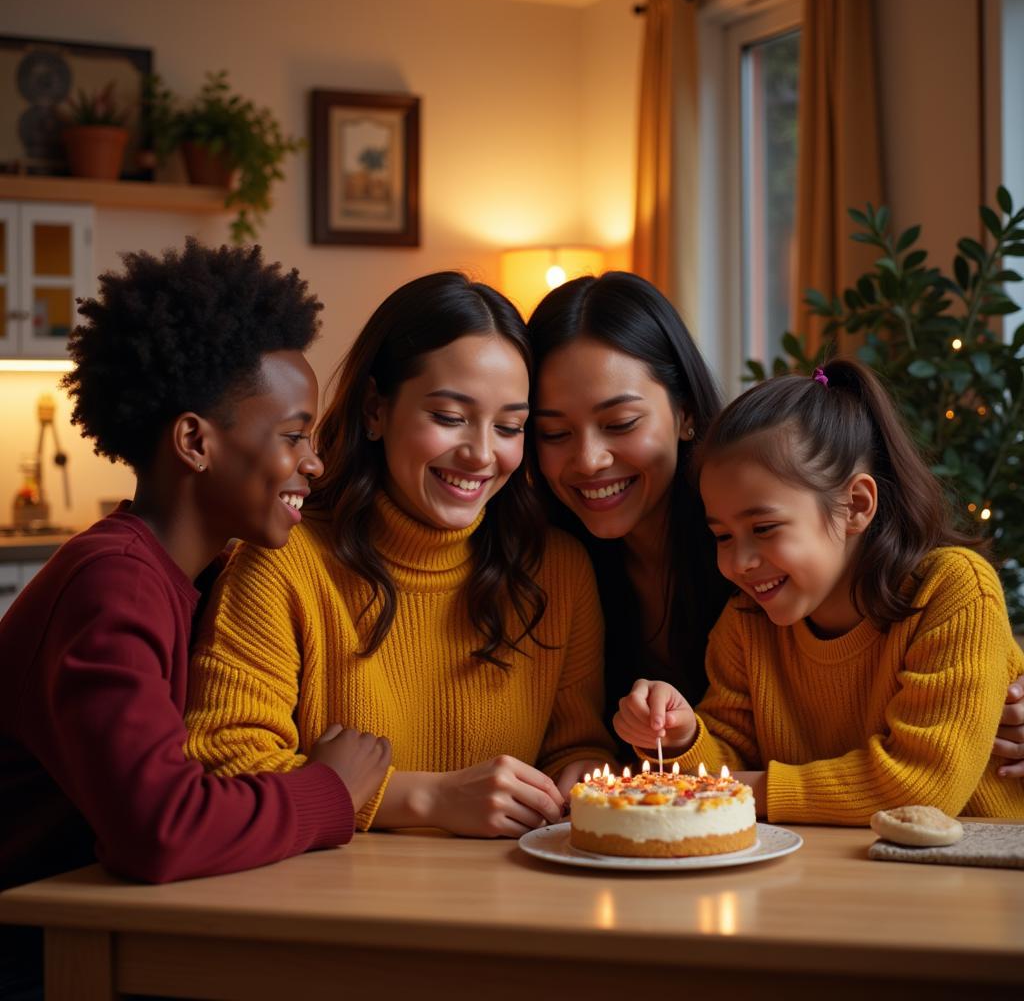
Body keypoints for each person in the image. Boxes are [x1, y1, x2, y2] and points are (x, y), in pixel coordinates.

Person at [0, 240, 392, 999]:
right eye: (292, 435)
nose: (315, 461)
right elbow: (161, 828)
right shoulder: (113, 585)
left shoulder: (190, 575)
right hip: (33, 954)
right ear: (194, 442)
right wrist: (327, 792)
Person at [527, 270, 1024, 770]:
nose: (589, 460)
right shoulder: (553, 571)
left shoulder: (773, 544)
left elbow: (913, 751)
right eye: (552, 433)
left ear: (686, 414)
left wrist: (976, 704)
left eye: (620, 424)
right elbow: (721, 750)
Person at [184, 272, 616, 838]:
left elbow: (575, 744)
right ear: (374, 409)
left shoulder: (557, 569)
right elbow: (222, 759)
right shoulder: (284, 561)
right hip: (335, 906)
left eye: (510, 426)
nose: (481, 454)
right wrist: (427, 800)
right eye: (449, 417)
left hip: (513, 901)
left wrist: (575, 776)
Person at [613, 359, 1024, 823]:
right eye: (723, 536)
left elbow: (919, 785)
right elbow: (728, 760)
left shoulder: (954, 591)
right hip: (831, 875)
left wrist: (737, 789)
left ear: (856, 506)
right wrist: (685, 737)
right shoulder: (747, 623)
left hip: (974, 876)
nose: (738, 562)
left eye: (764, 527)